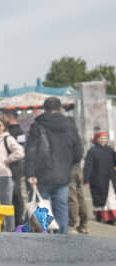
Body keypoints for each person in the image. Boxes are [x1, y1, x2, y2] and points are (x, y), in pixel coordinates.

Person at [24, 97, 83, 234]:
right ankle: (62, 237)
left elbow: (31, 152)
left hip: (41, 174)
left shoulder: (38, 125)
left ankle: (44, 236)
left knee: (42, 205)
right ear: (60, 108)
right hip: (63, 175)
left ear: (44, 109)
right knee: (62, 207)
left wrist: (30, 174)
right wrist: (68, 164)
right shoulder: (70, 125)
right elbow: (78, 152)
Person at [0, 118, 24, 231]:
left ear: (3, 127)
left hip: (4, 175)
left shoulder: (8, 139)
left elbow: (20, 152)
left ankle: (10, 230)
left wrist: (7, 160)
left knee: (6, 205)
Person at [83, 131, 116, 225]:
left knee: (111, 197)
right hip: (98, 179)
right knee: (101, 199)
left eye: (105, 138)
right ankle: (104, 216)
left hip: (110, 178)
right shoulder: (92, 151)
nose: (103, 140)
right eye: (101, 138)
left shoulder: (110, 150)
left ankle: (112, 216)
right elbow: (88, 166)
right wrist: (86, 180)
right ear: (96, 140)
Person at [1, 110, 26, 225]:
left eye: (3, 117)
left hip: (15, 166)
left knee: (15, 193)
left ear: (9, 117)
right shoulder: (6, 131)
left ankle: (18, 220)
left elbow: (21, 149)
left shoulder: (18, 132)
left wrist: (7, 159)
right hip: (6, 167)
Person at [67, 159, 90, 234]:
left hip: (70, 169)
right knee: (81, 198)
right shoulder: (79, 146)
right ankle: (84, 224)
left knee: (72, 198)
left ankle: (71, 223)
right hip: (78, 169)